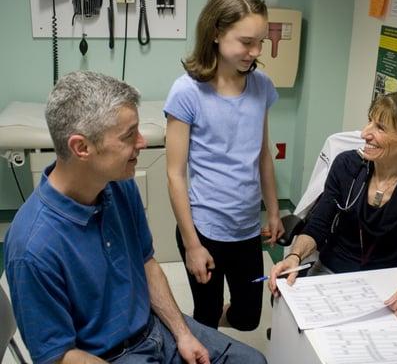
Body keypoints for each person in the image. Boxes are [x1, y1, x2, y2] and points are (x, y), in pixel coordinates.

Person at [4, 71, 267, 364]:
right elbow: (60, 356)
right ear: (81, 147)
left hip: (156, 328)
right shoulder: (32, 248)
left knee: (253, 361)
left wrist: (182, 333)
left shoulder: (117, 184)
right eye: (129, 135)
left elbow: (146, 263)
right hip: (107, 357)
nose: (142, 142)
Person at [268, 91, 397, 322]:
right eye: (369, 121)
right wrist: (295, 256)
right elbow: (318, 226)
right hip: (332, 274)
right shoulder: (347, 166)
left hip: (391, 286)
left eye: (380, 128)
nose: (365, 133)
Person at [164, 0, 284, 331]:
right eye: (247, 42)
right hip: (204, 229)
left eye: (260, 41)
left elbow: (262, 154)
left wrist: (274, 210)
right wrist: (191, 245)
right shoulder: (187, 91)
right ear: (216, 32)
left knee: (248, 319)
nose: (256, 51)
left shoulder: (261, 85)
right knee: (205, 318)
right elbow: (175, 174)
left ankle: (210, 330)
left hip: (246, 228)